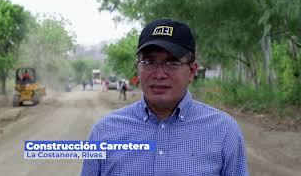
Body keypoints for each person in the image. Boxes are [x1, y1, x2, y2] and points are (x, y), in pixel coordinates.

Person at [81, 19, 248, 175]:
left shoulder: (224, 132)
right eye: (149, 62)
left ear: (191, 71)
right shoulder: (104, 132)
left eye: (172, 63)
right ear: (138, 69)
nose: (159, 74)